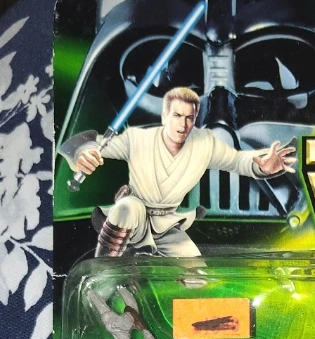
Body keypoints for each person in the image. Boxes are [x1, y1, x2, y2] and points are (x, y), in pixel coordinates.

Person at [61, 86, 297, 257]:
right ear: (165, 116)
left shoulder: (204, 143)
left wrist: (262, 165)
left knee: (195, 275)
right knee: (126, 208)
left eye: (189, 118)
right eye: (177, 116)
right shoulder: (137, 138)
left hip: (166, 223)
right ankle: (104, 267)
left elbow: (236, 160)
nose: (183, 125)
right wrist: (84, 154)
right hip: (135, 214)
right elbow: (96, 145)